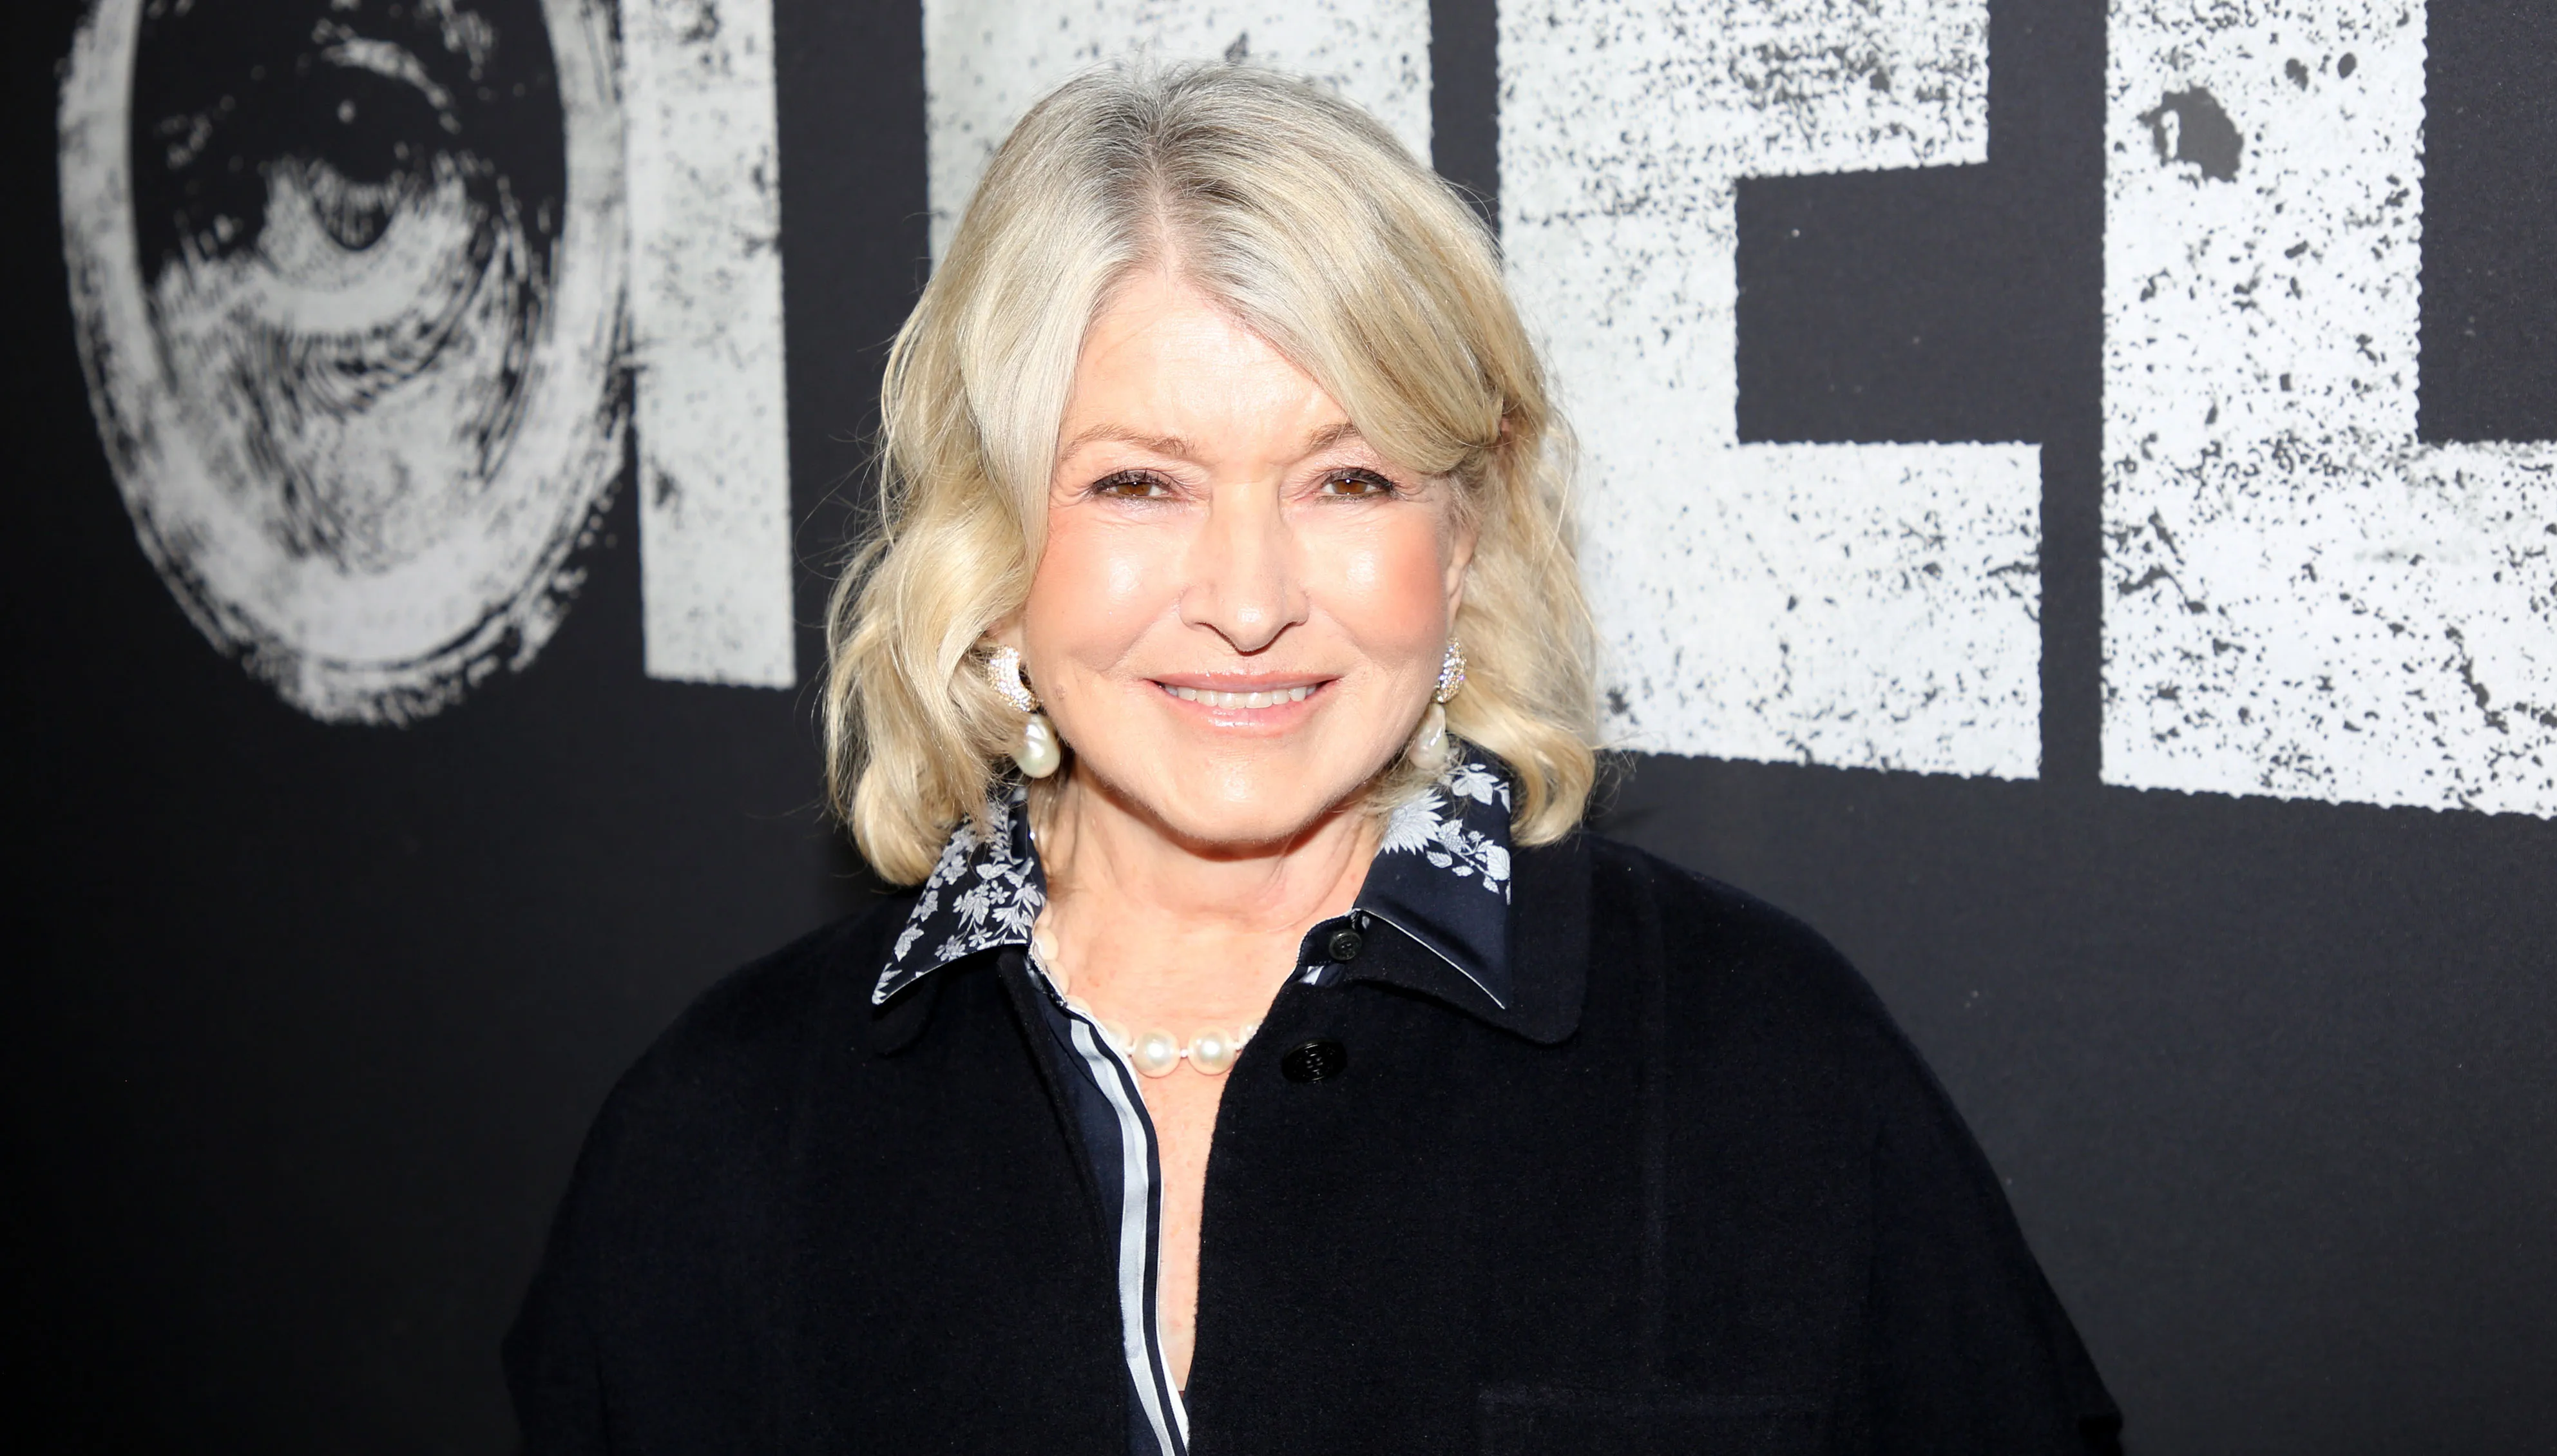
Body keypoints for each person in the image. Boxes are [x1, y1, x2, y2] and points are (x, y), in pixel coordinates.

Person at [506, 62, 2121, 1455]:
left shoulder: (1763, 1065)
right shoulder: (720, 1138)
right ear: (991, 546)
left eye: (1346, 481)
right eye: (1137, 484)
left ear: (1463, 534)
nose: (1248, 600)